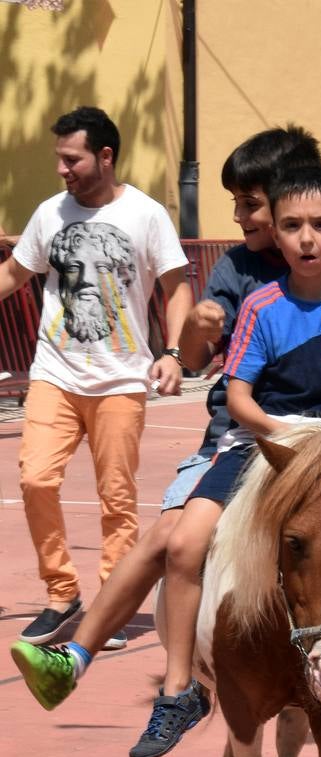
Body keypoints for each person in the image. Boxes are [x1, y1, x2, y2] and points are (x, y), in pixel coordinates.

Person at [11, 126, 321, 757]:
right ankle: (96, 663)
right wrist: (194, 334)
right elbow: (208, 371)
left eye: (250, 205)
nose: (243, 218)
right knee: (174, 541)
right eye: (248, 208)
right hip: (252, 442)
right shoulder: (247, 282)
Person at [125, 165, 321, 757]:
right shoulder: (259, 305)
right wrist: (287, 435)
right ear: (276, 235)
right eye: (293, 226)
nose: (307, 238)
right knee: (183, 544)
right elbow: (238, 396)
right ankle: (179, 688)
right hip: (261, 449)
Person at [0, 106, 191, 648]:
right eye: (60, 158)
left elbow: (177, 286)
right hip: (54, 373)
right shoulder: (49, 214)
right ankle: (62, 594)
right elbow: (17, 272)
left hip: (120, 381)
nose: (62, 169)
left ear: (105, 156)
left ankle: (109, 606)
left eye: (71, 158)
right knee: (36, 479)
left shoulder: (147, 215)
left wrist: (173, 353)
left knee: (117, 499)